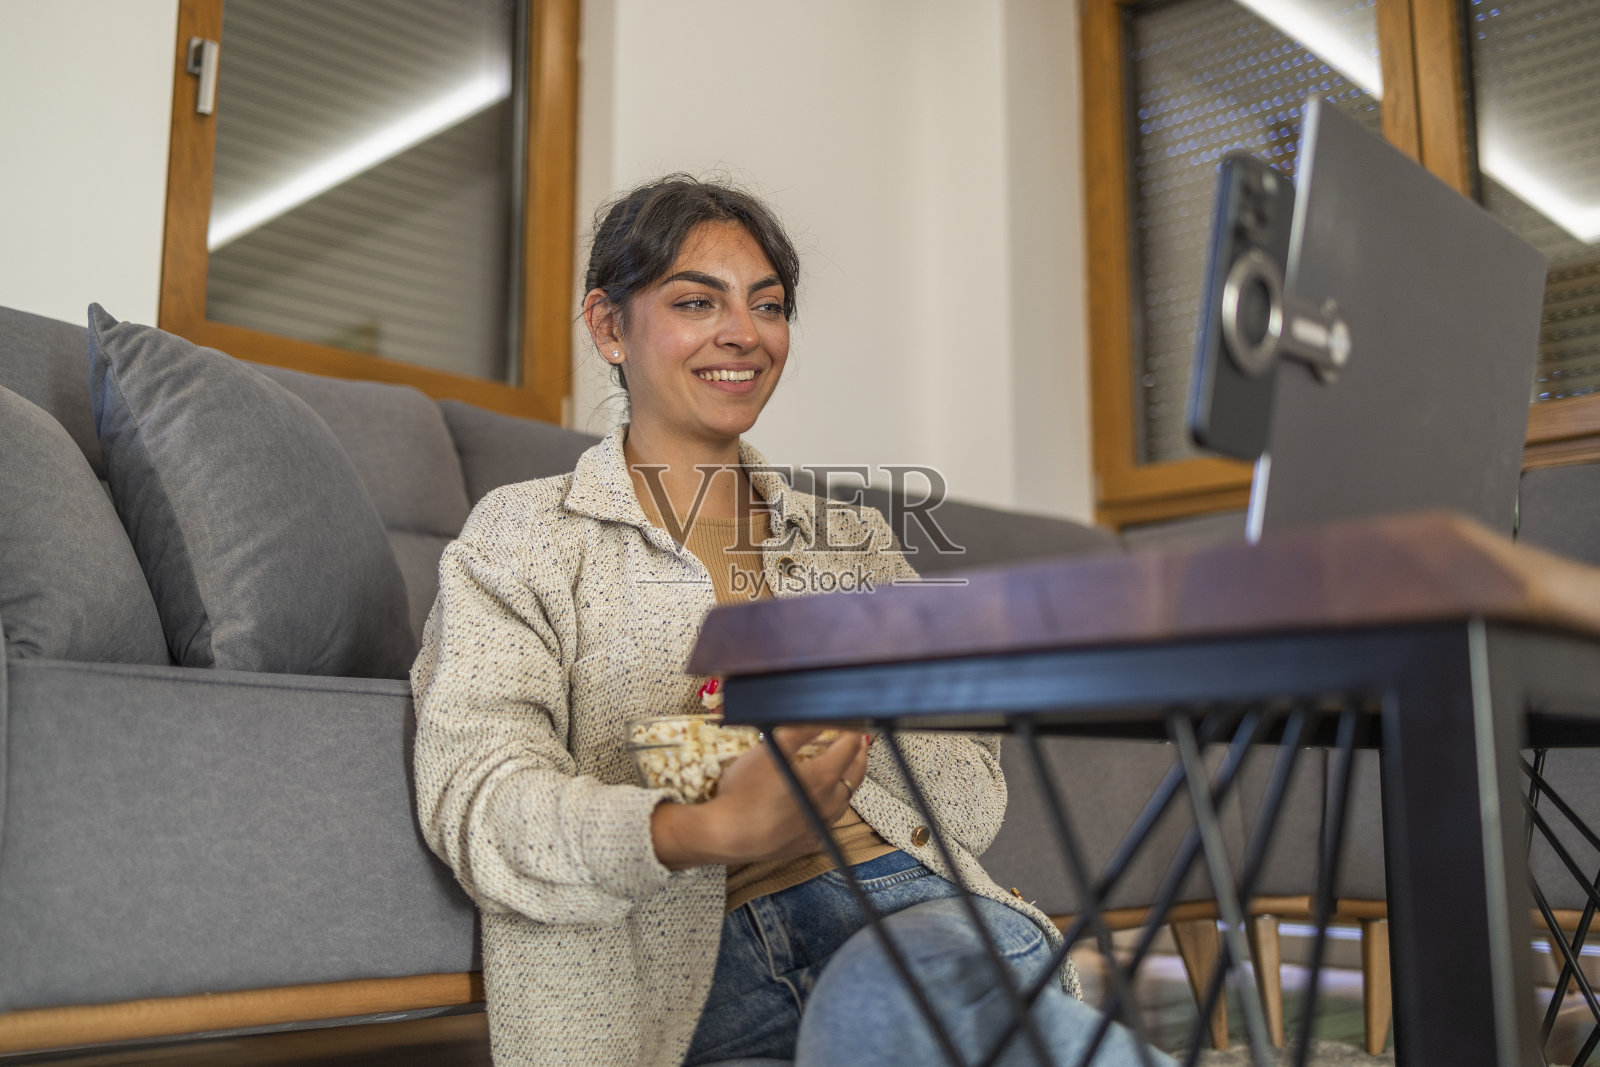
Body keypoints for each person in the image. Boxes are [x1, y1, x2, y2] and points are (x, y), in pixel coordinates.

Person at [411, 175, 1172, 1067]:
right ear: (608, 325)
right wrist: (699, 822)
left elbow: (971, 790)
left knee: (891, 994)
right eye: (698, 301)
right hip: (661, 991)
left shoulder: (849, 537)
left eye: (767, 306)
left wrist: (831, 712)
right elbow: (479, 803)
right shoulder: (524, 534)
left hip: (897, 912)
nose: (744, 332)